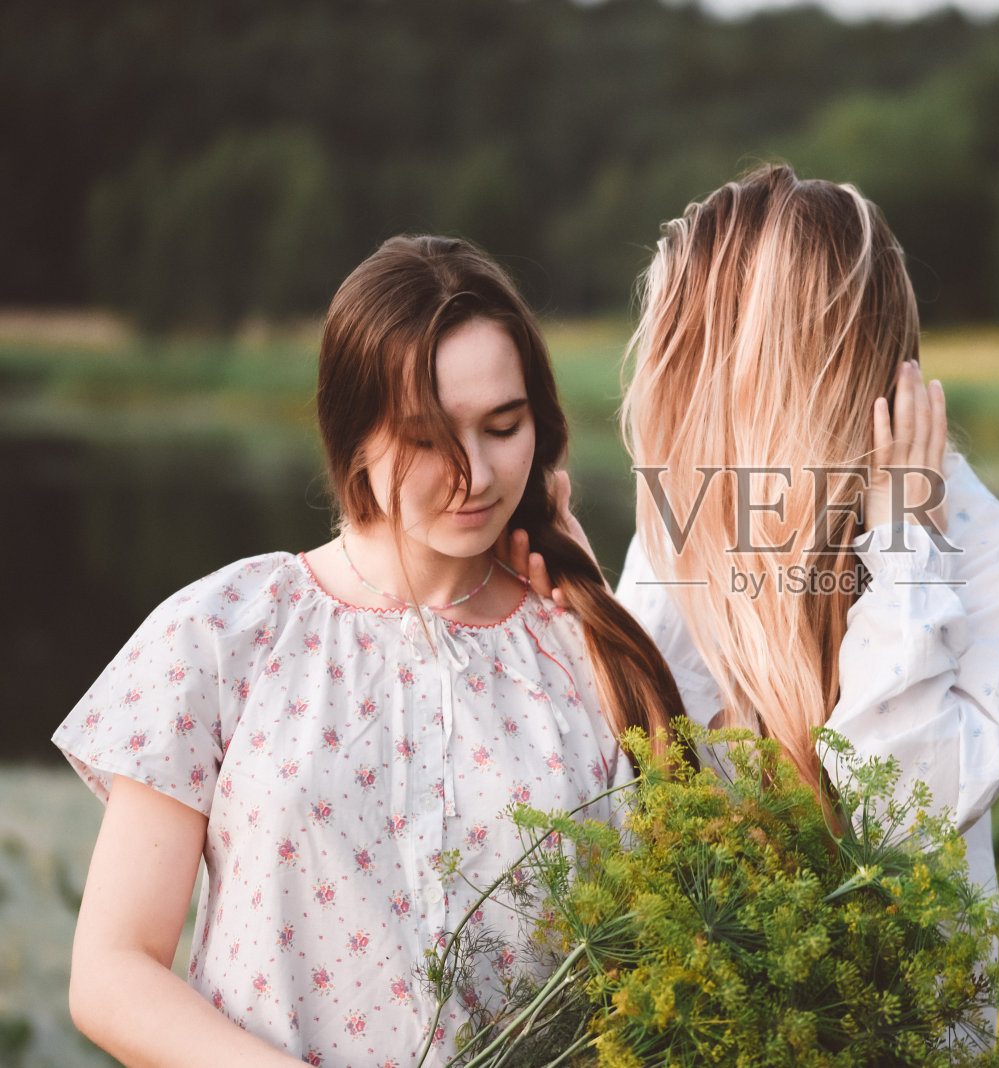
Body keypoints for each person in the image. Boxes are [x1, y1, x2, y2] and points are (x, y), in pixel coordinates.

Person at [54, 235, 683, 1068]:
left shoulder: (582, 651)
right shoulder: (227, 631)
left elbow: (665, 959)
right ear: (353, 435)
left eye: (504, 426)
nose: (476, 474)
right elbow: (111, 971)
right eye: (428, 439)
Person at [521, 164, 999, 895]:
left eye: (688, 367)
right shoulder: (694, 526)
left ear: (770, 383)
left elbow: (902, 817)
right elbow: (638, 802)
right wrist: (595, 632)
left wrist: (906, 547)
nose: (671, 407)